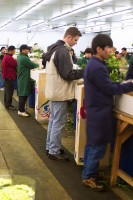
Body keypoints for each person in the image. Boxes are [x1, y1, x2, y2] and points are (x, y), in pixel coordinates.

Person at [82, 34, 133, 191]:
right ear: (99, 49)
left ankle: (89, 171)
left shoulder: (96, 64)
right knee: (97, 145)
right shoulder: (97, 66)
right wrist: (131, 84)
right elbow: (109, 89)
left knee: (93, 143)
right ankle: (88, 176)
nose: (110, 51)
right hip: (99, 110)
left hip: (96, 109)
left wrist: (122, 83)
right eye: (108, 48)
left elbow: (106, 84)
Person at [43, 27, 84, 161]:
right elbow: (67, 74)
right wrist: (85, 71)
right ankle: (54, 150)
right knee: (58, 122)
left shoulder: (53, 49)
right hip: (60, 92)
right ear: (69, 37)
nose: (76, 43)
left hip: (54, 90)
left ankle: (50, 147)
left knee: (54, 121)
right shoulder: (63, 51)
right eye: (75, 40)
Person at [17, 44, 39, 117]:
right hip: (24, 78)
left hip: (23, 78)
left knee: (23, 94)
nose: (28, 50)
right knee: (23, 95)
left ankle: (22, 109)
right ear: (23, 50)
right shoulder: (23, 58)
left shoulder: (22, 57)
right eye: (27, 49)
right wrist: (38, 65)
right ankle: (21, 110)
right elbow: (32, 65)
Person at [2, 46, 17, 110]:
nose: (14, 52)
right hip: (9, 76)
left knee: (7, 91)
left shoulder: (6, 56)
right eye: (14, 51)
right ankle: (8, 105)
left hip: (7, 76)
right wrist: (16, 60)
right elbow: (15, 64)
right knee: (9, 92)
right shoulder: (9, 57)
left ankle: (7, 104)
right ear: (10, 51)